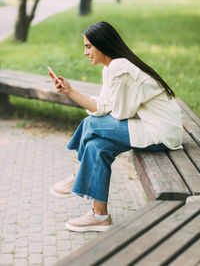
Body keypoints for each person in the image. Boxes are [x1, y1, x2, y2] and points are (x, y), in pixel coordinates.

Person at [49, 21, 183, 232]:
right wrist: (70, 91)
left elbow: (120, 114)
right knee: (96, 147)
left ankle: (76, 174)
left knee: (91, 124)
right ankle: (99, 216)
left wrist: (102, 118)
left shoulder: (121, 68)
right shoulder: (111, 69)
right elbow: (103, 106)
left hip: (160, 132)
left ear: (102, 45)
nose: (85, 52)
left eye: (88, 46)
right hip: (147, 127)